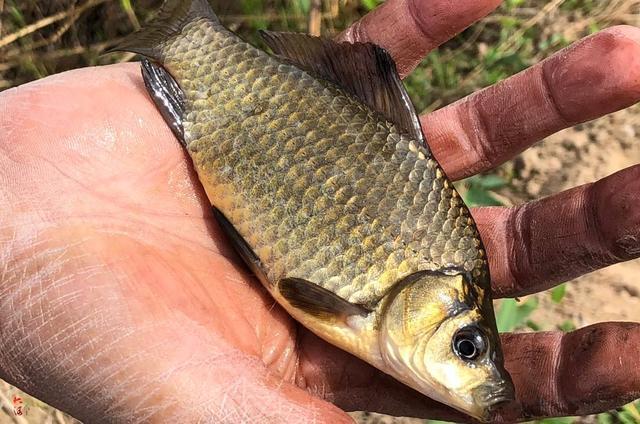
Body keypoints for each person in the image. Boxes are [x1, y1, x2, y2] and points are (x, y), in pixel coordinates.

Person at [1, 1, 639, 422]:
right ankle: (180, 32)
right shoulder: (358, 307)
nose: (472, 369)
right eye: (466, 346)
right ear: (436, 300)